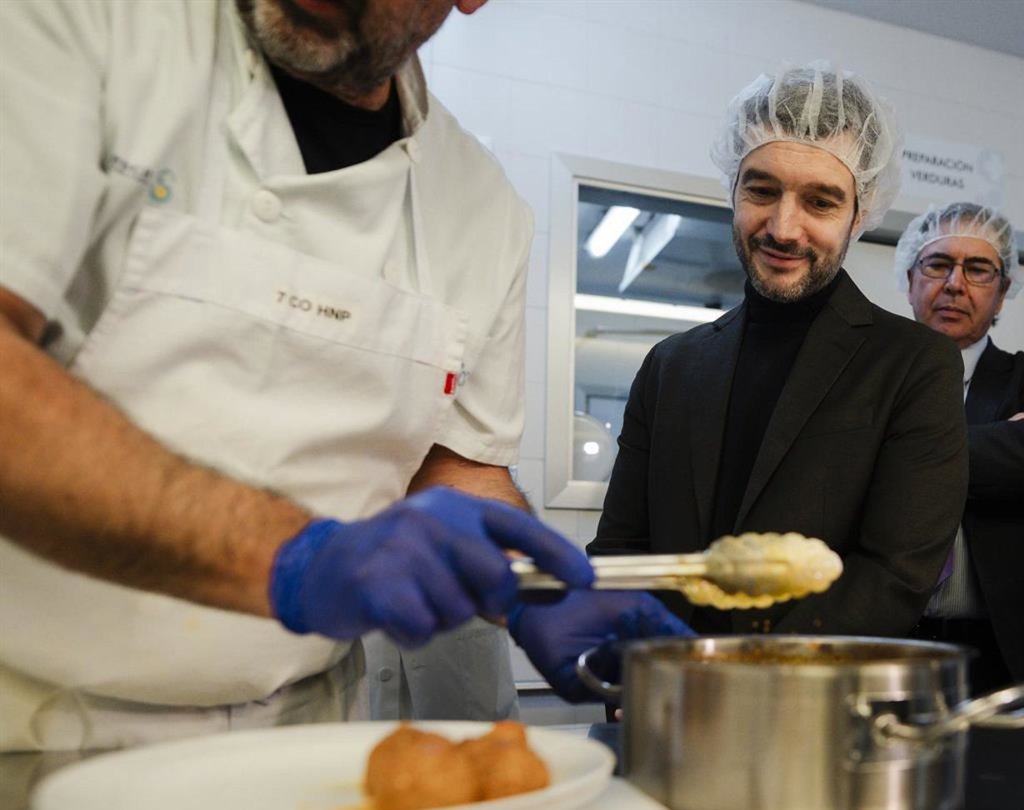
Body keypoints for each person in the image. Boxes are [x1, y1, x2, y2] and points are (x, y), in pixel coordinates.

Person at [0, 0, 683, 750]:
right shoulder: (84, 24)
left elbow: (453, 464)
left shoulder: (482, 207)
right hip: (30, 722)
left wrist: (530, 584)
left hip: (305, 733)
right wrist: (293, 557)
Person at [590, 62, 968, 637]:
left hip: (813, 685)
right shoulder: (671, 365)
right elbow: (622, 548)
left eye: (821, 202)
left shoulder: (913, 365)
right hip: (664, 675)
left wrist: (748, 672)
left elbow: (895, 575)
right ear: (733, 190)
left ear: (859, 214)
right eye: (763, 190)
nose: (784, 229)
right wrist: (631, 655)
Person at [895, 202, 1024, 697]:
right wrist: (998, 439)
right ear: (910, 281)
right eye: (938, 264)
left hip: (1011, 653)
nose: (954, 284)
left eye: (978, 269)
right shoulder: (868, 380)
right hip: (895, 649)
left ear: (1001, 294)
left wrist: (894, 451)